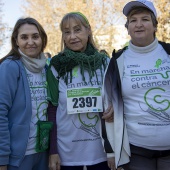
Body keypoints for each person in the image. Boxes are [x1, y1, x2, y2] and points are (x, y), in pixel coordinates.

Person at [102, 0, 170, 170]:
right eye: (133, 20)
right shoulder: (117, 61)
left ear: (155, 25)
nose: (139, 25)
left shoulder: (168, 53)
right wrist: (111, 151)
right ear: (127, 28)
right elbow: (108, 105)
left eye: (145, 19)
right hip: (137, 150)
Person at [46, 12, 113, 170]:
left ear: (88, 30)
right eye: (67, 32)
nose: (72, 36)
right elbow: (52, 110)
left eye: (77, 30)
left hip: (101, 152)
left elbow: (115, 100)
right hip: (66, 154)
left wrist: (115, 108)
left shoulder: (105, 63)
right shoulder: (56, 66)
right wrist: (53, 151)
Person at [0, 17, 52, 170]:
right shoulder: (10, 67)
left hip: (42, 152)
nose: (31, 42)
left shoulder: (46, 68)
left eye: (35, 36)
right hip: (17, 157)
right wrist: (2, 158)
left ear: (42, 39)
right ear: (16, 41)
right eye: (24, 37)